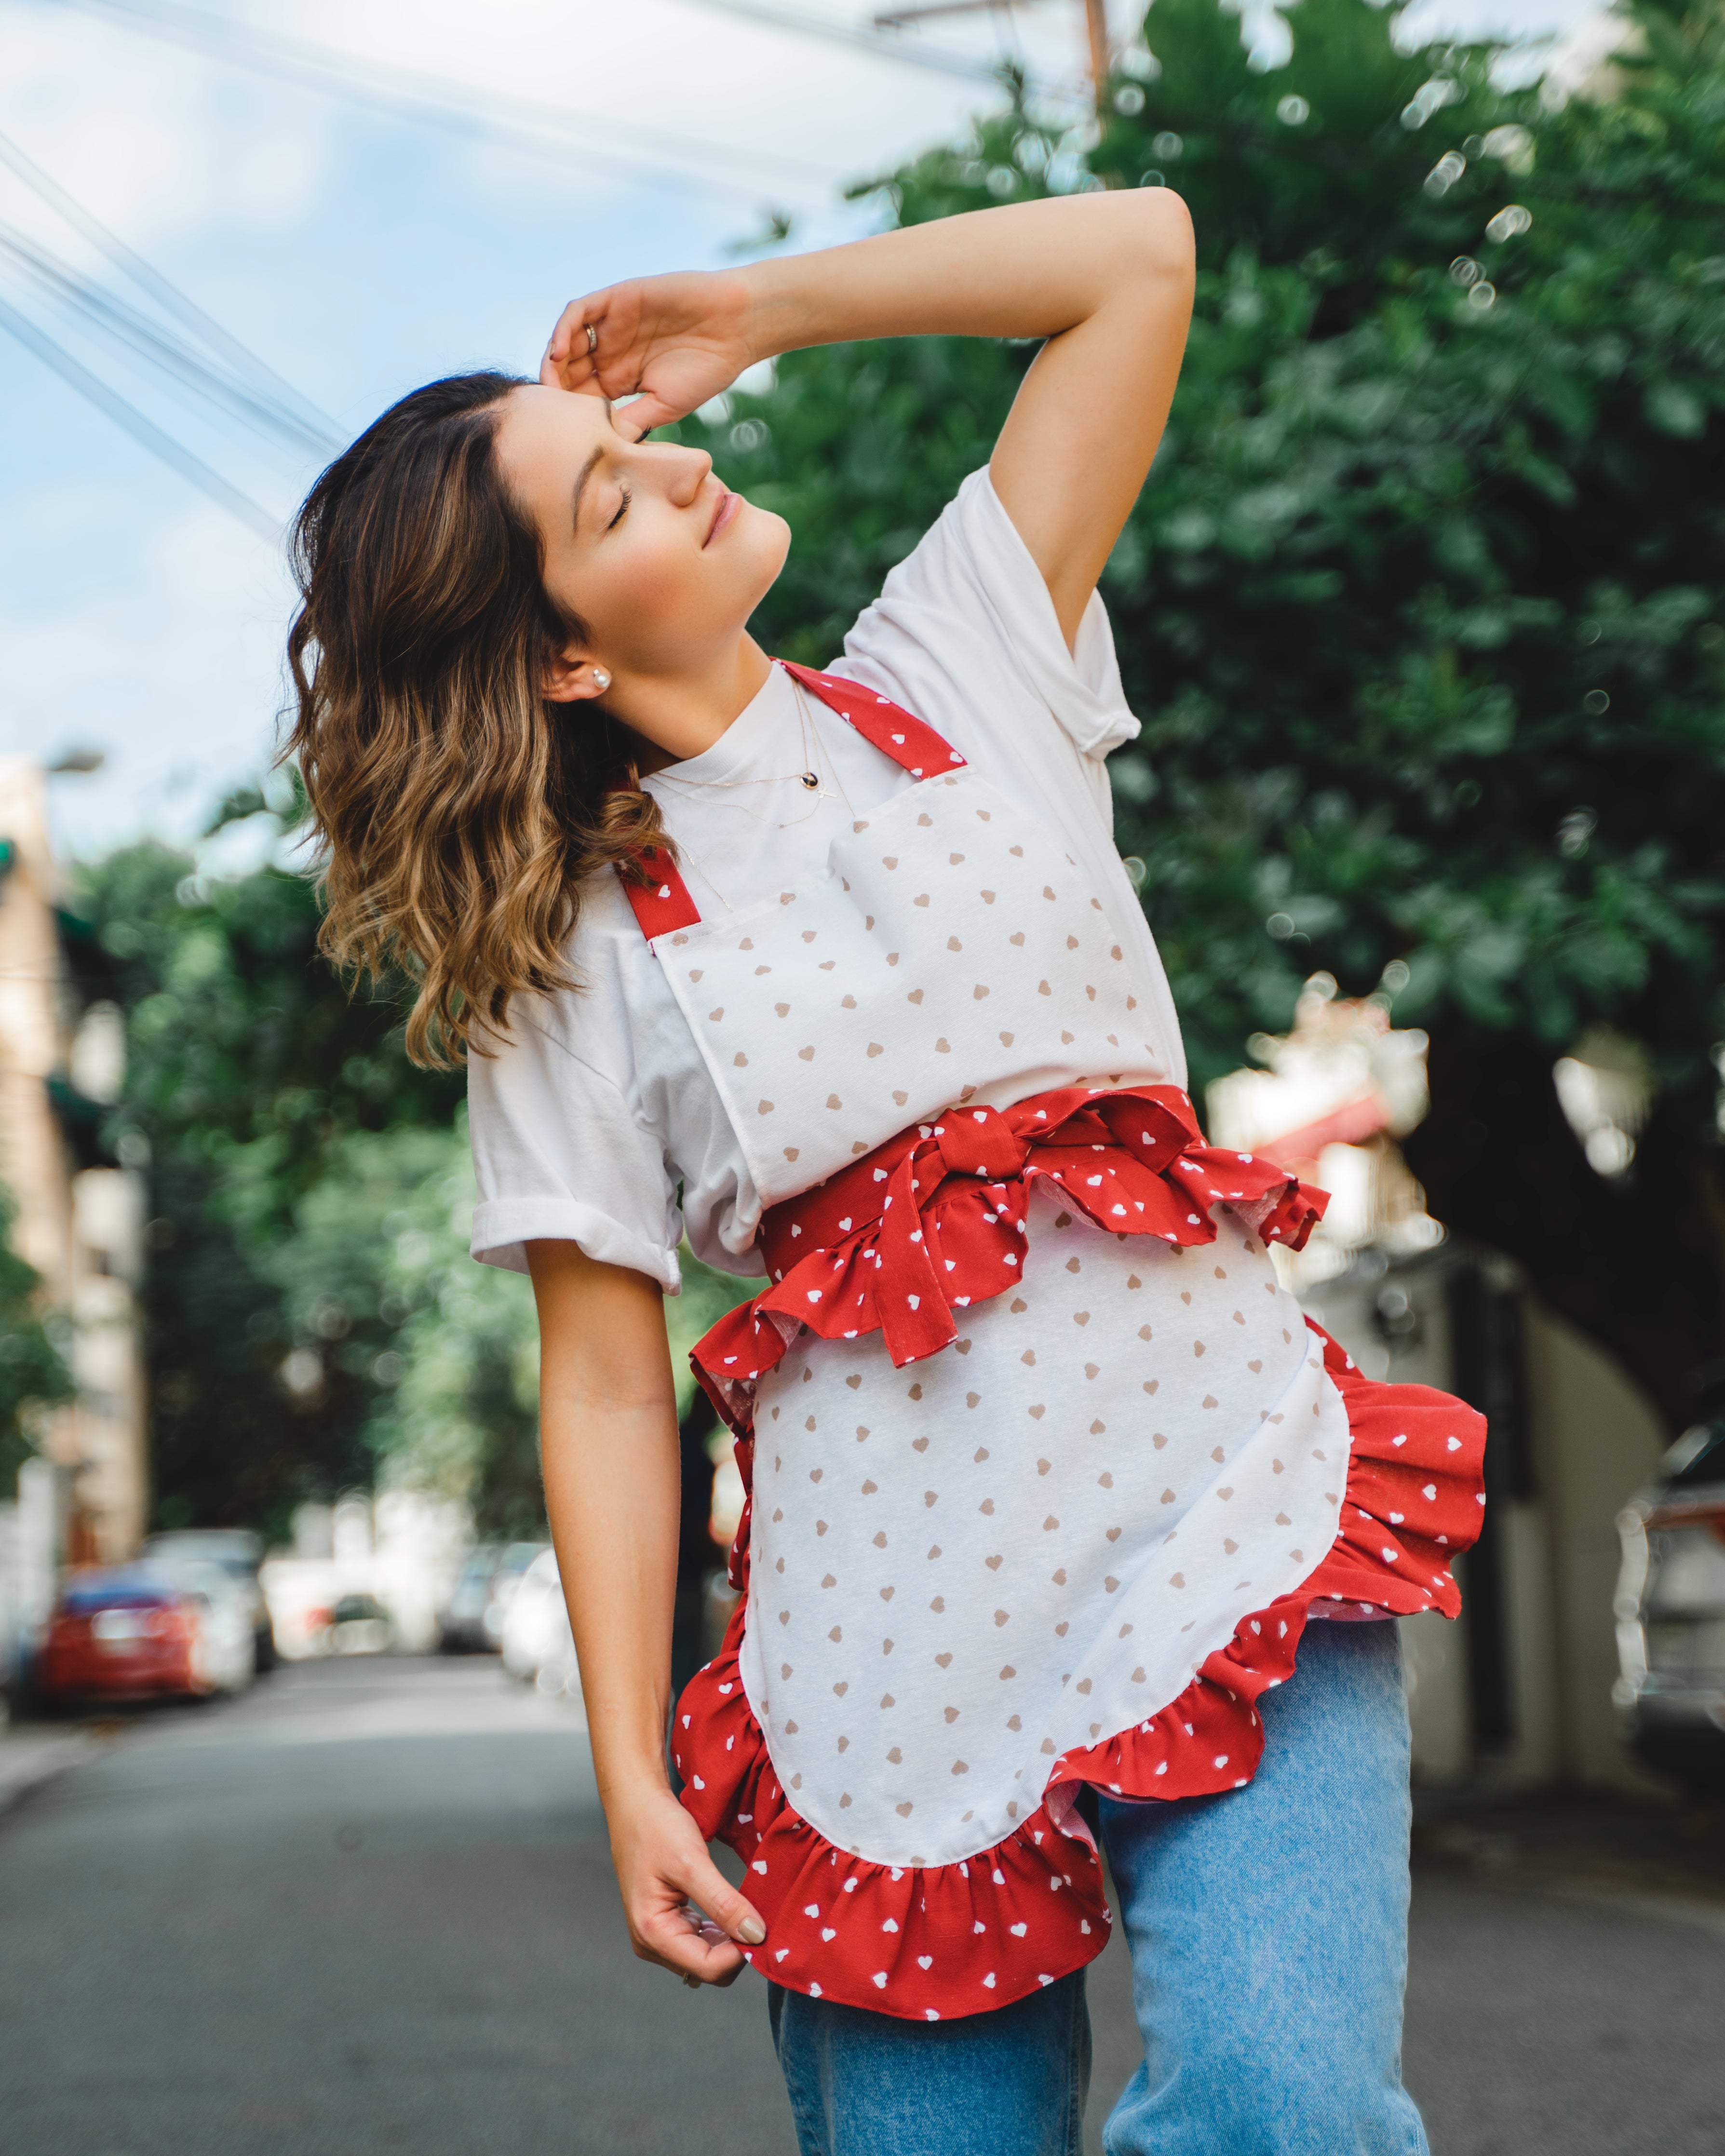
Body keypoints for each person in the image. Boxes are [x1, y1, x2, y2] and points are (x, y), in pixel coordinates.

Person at [286, 193, 1485, 2156]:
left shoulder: (966, 649)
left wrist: (757, 312)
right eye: (613, 502)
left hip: (1221, 1515)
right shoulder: (565, 960)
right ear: (564, 663)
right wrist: (626, 1766)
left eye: (642, 441)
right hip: (882, 1650)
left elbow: (1141, 255)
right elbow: (598, 1375)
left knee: (1287, 2106)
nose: (679, 463)